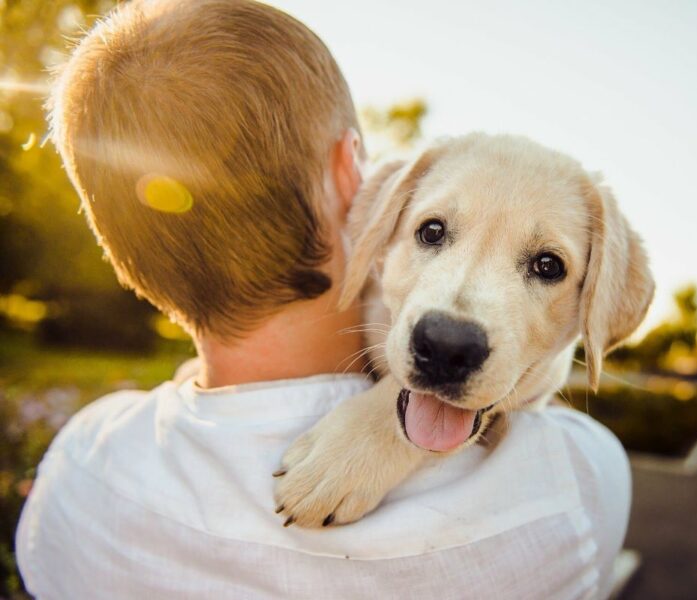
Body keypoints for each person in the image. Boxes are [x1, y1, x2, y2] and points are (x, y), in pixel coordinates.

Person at [15, 1, 631, 598]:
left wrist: (388, 424)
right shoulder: (575, 485)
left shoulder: (79, 467)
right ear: (352, 179)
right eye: (433, 233)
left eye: (545, 266)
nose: (456, 318)